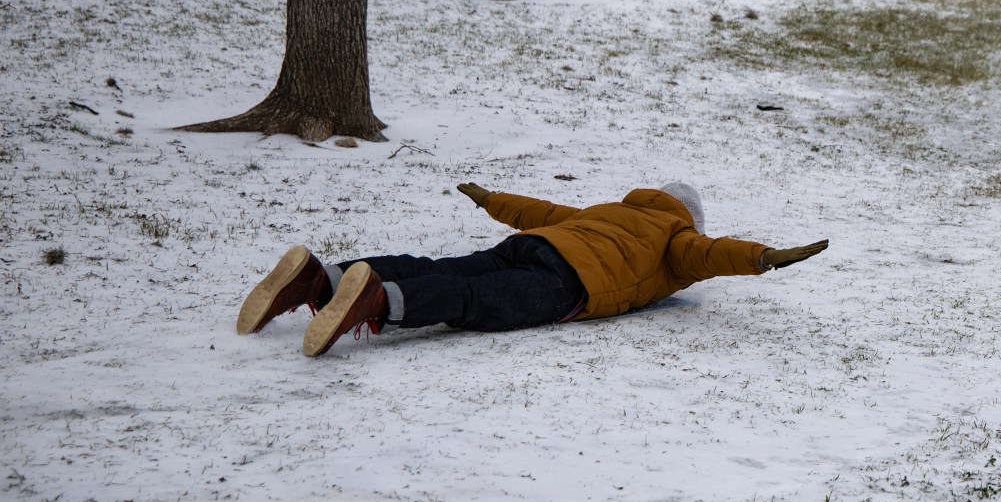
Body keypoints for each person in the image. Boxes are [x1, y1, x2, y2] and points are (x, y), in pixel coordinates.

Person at [236, 182, 829, 356]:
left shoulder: (610, 210)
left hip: (538, 242)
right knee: (476, 302)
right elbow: (712, 254)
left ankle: (327, 277)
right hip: (567, 283)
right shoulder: (678, 241)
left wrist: (491, 200)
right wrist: (764, 257)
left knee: (448, 266)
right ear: (689, 220)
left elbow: (540, 211)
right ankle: (378, 303)